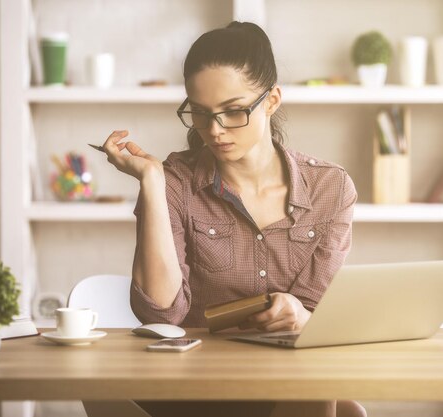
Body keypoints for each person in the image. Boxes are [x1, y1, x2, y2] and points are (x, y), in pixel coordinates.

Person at [102, 21, 365, 417]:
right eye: (201, 113)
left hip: (284, 375)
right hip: (192, 383)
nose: (215, 130)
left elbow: (315, 310)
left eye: (234, 111)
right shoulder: (175, 183)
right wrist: (152, 181)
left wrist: (302, 314)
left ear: (272, 100)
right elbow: (160, 312)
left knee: (338, 403)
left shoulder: (331, 188)